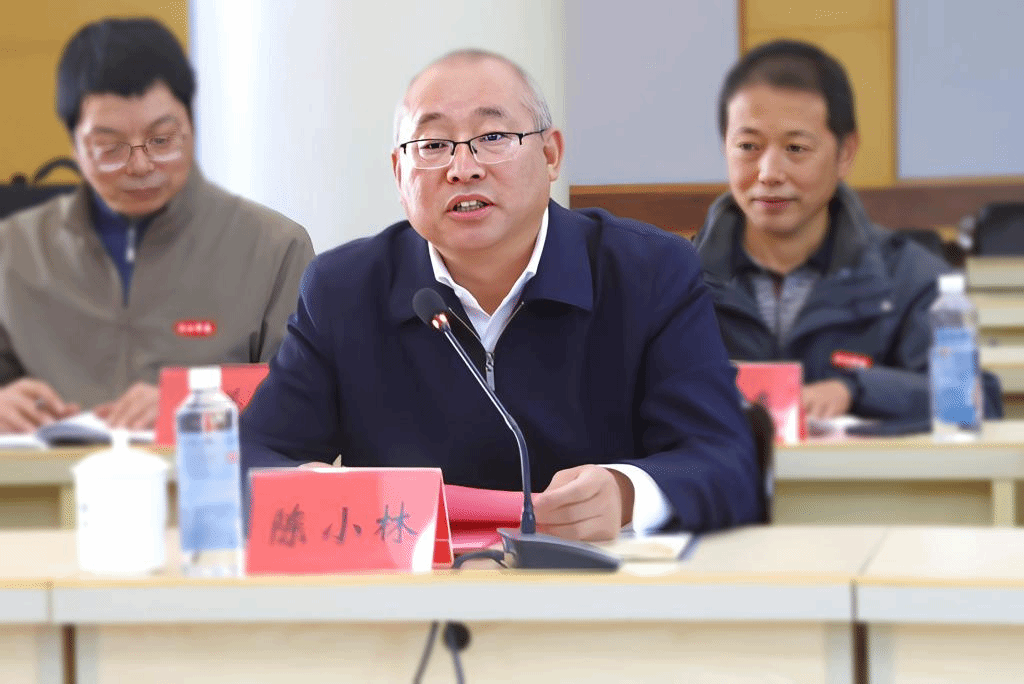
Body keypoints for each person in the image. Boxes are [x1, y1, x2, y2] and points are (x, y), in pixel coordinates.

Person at [240, 49, 760, 542]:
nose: (462, 168)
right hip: (411, 591)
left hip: (596, 589)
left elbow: (726, 461)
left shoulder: (649, 272)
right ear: (400, 174)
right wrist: (317, 487)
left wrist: (626, 493)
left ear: (551, 155)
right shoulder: (343, 289)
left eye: (493, 137)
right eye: (433, 145)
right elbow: (252, 457)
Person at [0, 18, 314, 433]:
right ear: (74, 145)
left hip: (206, 473)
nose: (140, 165)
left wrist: (191, 404)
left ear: (192, 125)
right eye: (110, 147)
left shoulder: (276, 249)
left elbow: (306, 402)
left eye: (162, 140)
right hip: (45, 475)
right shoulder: (12, 249)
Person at [693, 39, 1002, 422]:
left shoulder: (910, 278)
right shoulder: (679, 280)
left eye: (796, 148)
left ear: (845, 153)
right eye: (748, 146)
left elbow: (978, 400)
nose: (769, 173)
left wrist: (857, 390)